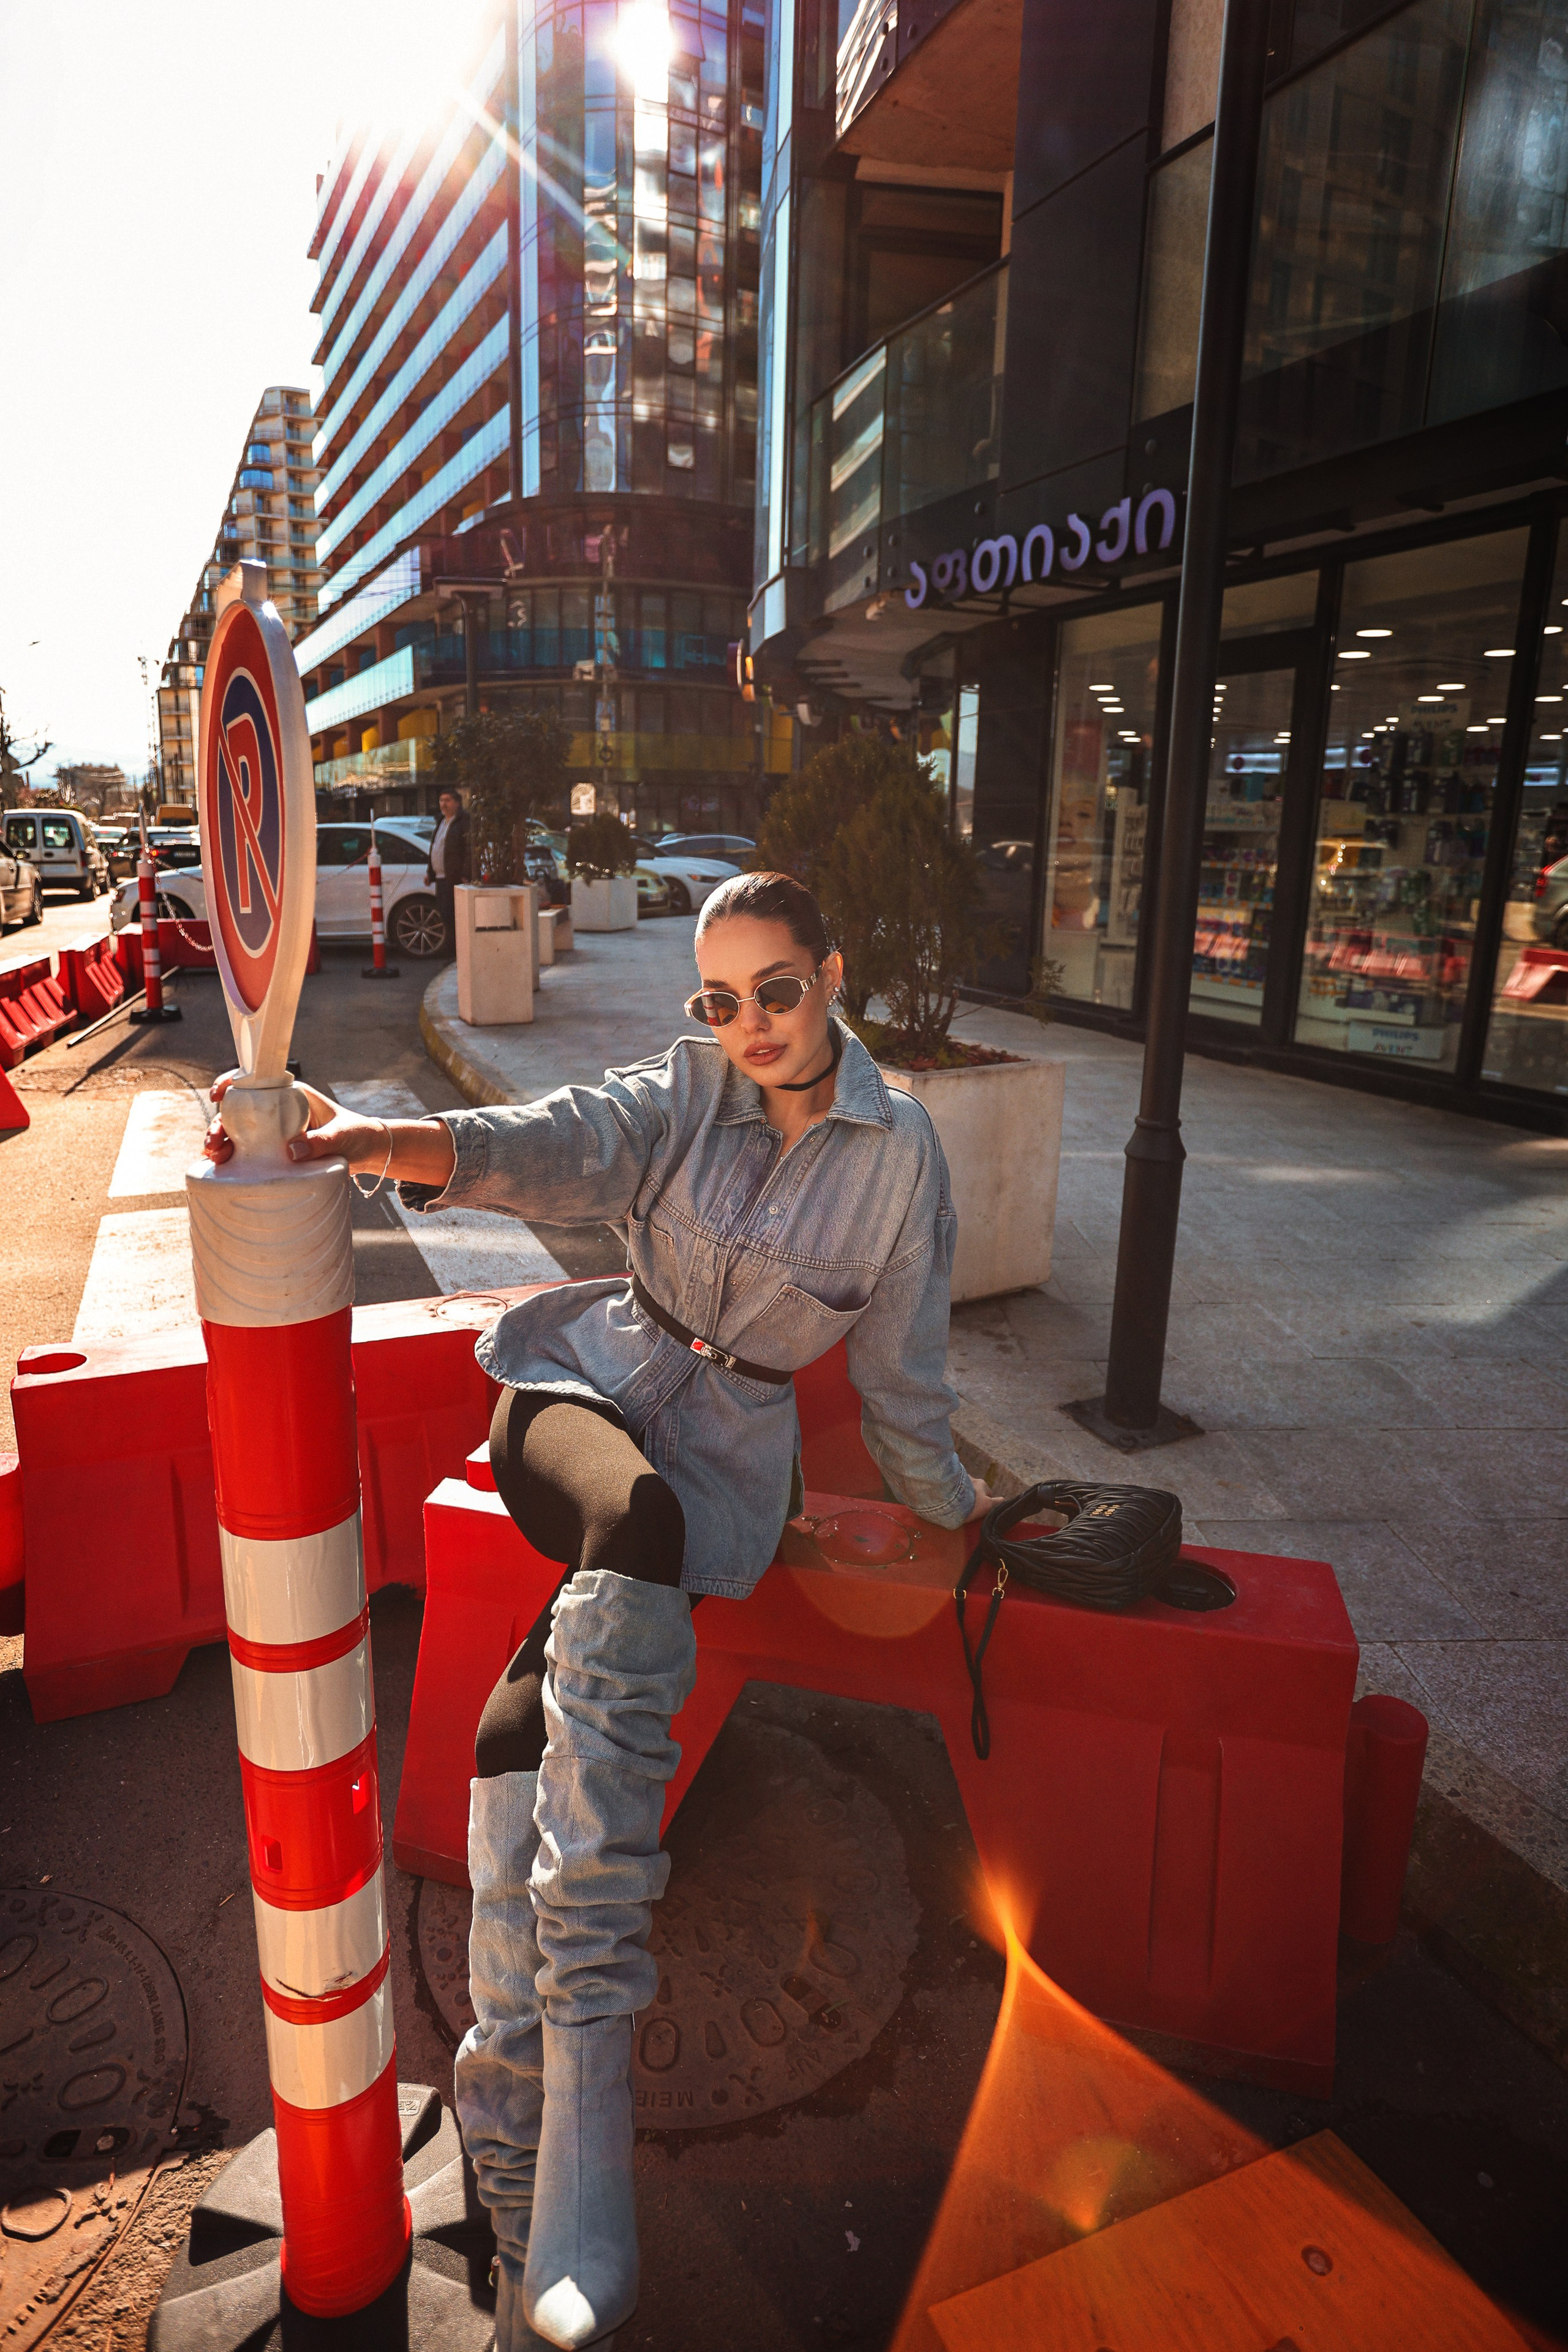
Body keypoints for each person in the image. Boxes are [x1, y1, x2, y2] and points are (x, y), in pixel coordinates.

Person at [203, 870, 993, 2351]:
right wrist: (369, 1137)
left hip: (729, 1463)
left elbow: (904, 1376)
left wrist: (952, 1514)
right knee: (631, 1534)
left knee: (529, 1726)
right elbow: (554, 1140)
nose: (747, 1024)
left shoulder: (903, 1163)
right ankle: (593, 2065)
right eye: (718, 997)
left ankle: (517, 2152)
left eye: (777, 988)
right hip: (580, 1393)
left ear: (833, 970)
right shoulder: (686, 1087)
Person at [428, 787, 470, 955]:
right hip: (440, 877)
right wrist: (430, 872)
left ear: (457, 803)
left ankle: (458, 952)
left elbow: (469, 850)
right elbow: (435, 848)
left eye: (447, 800)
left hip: (455, 878)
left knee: (455, 916)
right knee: (445, 914)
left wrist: (465, 874)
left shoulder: (464, 823)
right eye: (441, 801)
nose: (443, 804)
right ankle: (453, 950)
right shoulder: (441, 822)